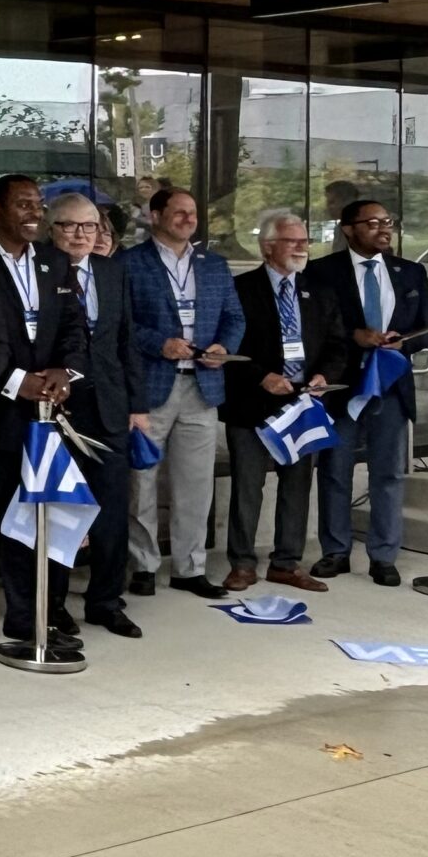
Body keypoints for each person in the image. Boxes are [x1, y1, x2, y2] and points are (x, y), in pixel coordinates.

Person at [0, 175, 89, 660]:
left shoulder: (54, 261)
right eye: (24, 204)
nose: (35, 212)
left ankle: (27, 617)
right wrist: (13, 381)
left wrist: (63, 372)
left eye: (39, 203)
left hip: (45, 417)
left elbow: (74, 327)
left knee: (35, 518)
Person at [119, 187, 245, 600]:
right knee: (142, 481)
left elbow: (234, 316)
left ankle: (190, 567)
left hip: (202, 386)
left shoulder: (215, 264)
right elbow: (121, 326)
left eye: (192, 213)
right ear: (155, 216)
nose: (188, 219)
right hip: (151, 385)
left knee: (195, 484)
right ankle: (143, 564)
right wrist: (159, 344)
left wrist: (223, 348)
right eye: (178, 212)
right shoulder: (130, 263)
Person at [306, 198, 428, 585]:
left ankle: (383, 555)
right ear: (348, 229)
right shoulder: (322, 271)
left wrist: (404, 343)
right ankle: (335, 551)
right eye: (373, 222)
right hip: (341, 387)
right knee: (334, 471)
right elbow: (313, 325)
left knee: (388, 474)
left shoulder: (410, 272)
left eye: (388, 222)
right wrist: (354, 336)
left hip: (391, 387)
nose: (384, 229)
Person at [221, 209, 346, 594]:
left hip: (302, 404)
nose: (302, 248)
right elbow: (227, 348)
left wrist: (326, 376)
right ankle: (242, 563)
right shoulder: (241, 290)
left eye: (305, 241)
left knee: (296, 486)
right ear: (268, 246)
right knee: (248, 486)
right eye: (293, 241)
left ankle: (286, 562)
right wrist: (261, 376)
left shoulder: (319, 291)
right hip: (253, 402)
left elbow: (337, 345)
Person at [48, 192, 149, 640]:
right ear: (52, 230)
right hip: (57, 406)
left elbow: (126, 341)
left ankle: (106, 601)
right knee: (59, 509)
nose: (80, 235)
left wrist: (138, 405)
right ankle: (52, 606)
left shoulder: (112, 272)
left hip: (109, 406)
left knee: (111, 513)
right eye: (69, 226)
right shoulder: (40, 272)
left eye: (89, 227)